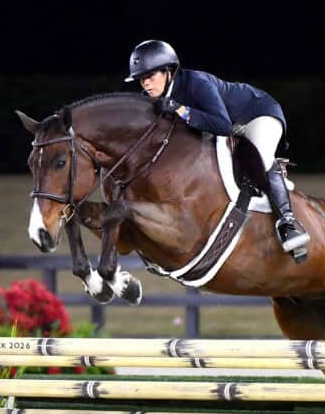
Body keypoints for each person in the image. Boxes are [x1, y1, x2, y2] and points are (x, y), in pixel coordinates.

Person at [124, 39, 310, 259]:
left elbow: (222, 125)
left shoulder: (196, 83)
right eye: (140, 79)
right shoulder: (157, 97)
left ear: (168, 71)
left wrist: (180, 109)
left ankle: (287, 224)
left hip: (256, 114)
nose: (145, 83)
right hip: (229, 124)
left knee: (261, 159)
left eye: (149, 76)